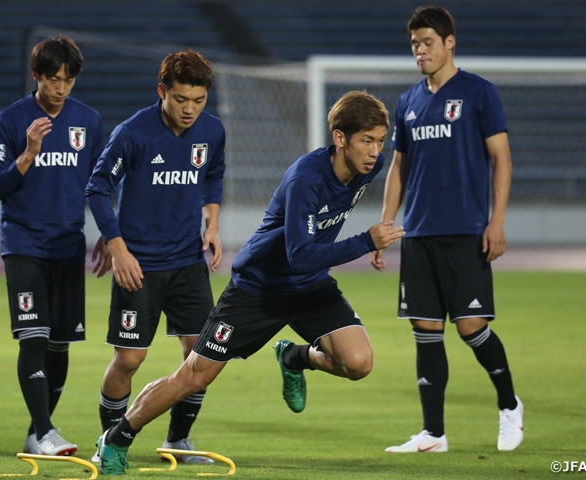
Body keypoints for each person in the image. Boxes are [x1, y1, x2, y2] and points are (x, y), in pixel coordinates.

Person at [94, 90, 405, 475]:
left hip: (309, 286)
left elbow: (309, 260)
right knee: (194, 375)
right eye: (366, 141)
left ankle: (295, 356)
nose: (375, 151)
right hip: (257, 290)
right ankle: (117, 439)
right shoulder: (306, 180)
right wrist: (366, 242)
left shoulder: (368, 168)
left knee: (359, 362)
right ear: (340, 138)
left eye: (380, 141)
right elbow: (299, 254)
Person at [370, 6, 523, 452]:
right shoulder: (408, 103)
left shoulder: (478, 93)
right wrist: (386, 223)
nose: (420, 51)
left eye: (428, 43)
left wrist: (496, 221)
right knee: (425, 329)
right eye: (415, 44)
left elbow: (502, 160)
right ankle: (433, 434)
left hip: (466, 230)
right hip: (418, 232)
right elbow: (398, 167)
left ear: (449, 42)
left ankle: (510, 406)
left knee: (471, 326)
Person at [85, 49, 225, 465]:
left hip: (187, 262)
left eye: (199, 101)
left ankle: (178, 441)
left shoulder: (212, 131)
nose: (190, 109)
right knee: (130, 359)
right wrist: (117, 245)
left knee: (201, 356)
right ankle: (108, 441)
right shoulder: (133, 133)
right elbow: (97, 188)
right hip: (139, 266)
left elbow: (213, 174)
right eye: (181, 99)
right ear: (162, 91)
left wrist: (212, 225)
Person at [0, 35, 109, 456]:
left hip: (68, 247)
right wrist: (28, 153)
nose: (60, 89)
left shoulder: (88, 122)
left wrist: (112, 234)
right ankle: (45, 429)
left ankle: (38, 435)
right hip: (24, 244)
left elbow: (102, 185)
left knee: (59, 343)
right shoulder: (11, 120)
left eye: (68, 81)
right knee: (32, 338)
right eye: (53, 79)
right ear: (36, 75)